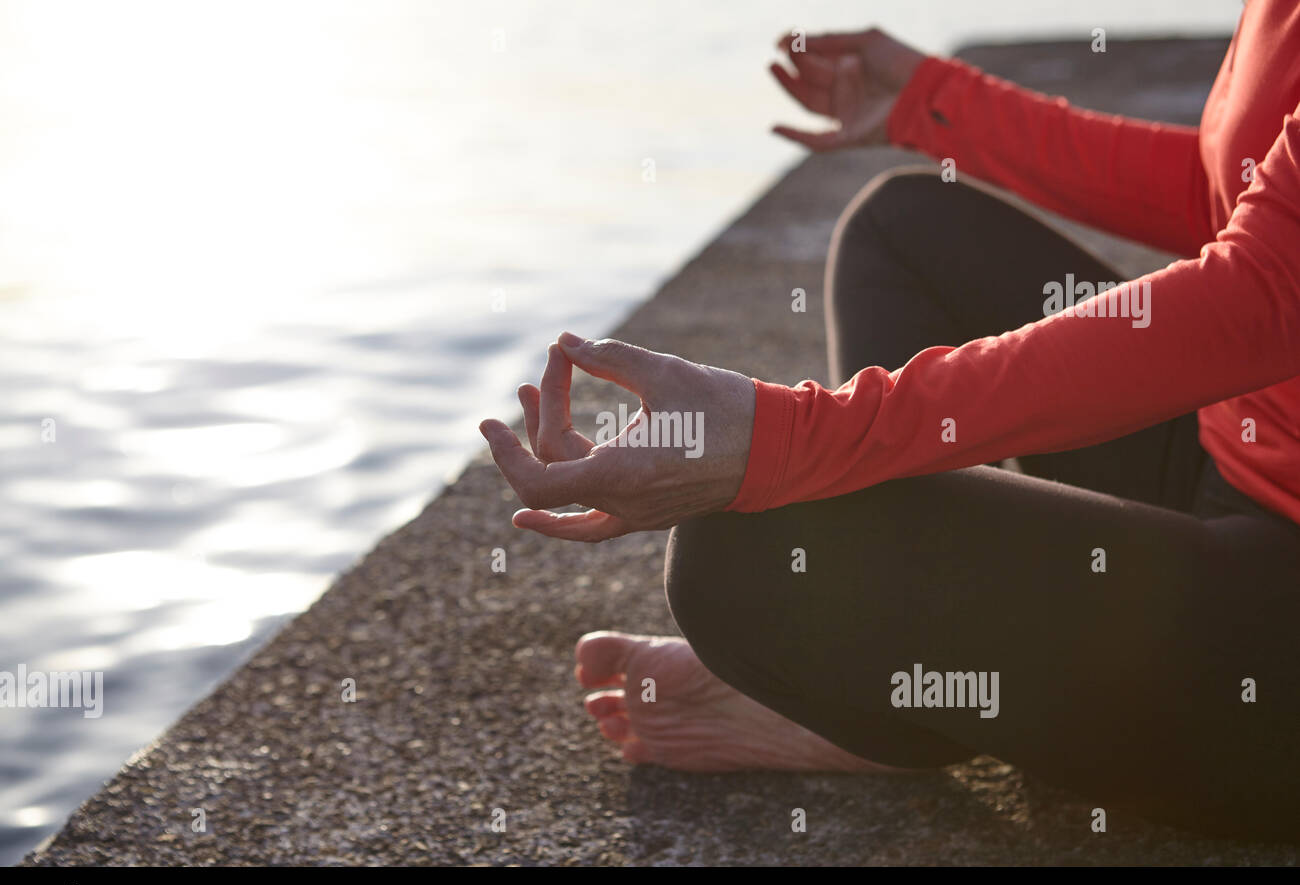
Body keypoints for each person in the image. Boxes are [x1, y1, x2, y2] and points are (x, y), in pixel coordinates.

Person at [479, 7, 1300, 840]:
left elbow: (1266, 291)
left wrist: (792, 440)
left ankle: (889, 696)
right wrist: (933, 101)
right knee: (903, 230)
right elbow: (1237, 197)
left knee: (744, 554)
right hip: (1237, 457)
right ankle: (887, 685)